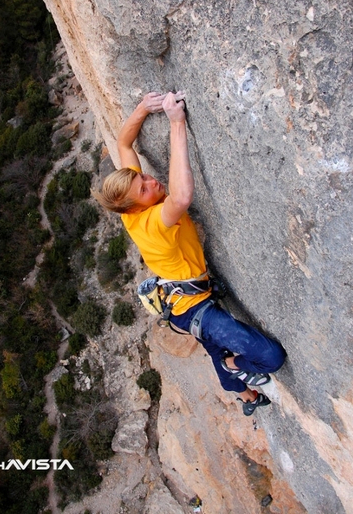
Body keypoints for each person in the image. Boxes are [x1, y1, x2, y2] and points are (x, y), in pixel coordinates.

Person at [94, 91, 286, 415]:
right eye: (143, 188)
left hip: (184, 304)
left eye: (142, 177)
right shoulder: (153, 222)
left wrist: (142, 107)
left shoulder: (129, 209)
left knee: (212, 343)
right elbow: (181, 197)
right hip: (197, 310)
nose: (150, 181)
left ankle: (246, 396)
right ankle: (232, 365)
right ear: (133, 206)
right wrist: (176, 123)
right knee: (270, 358)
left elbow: (124, 145)